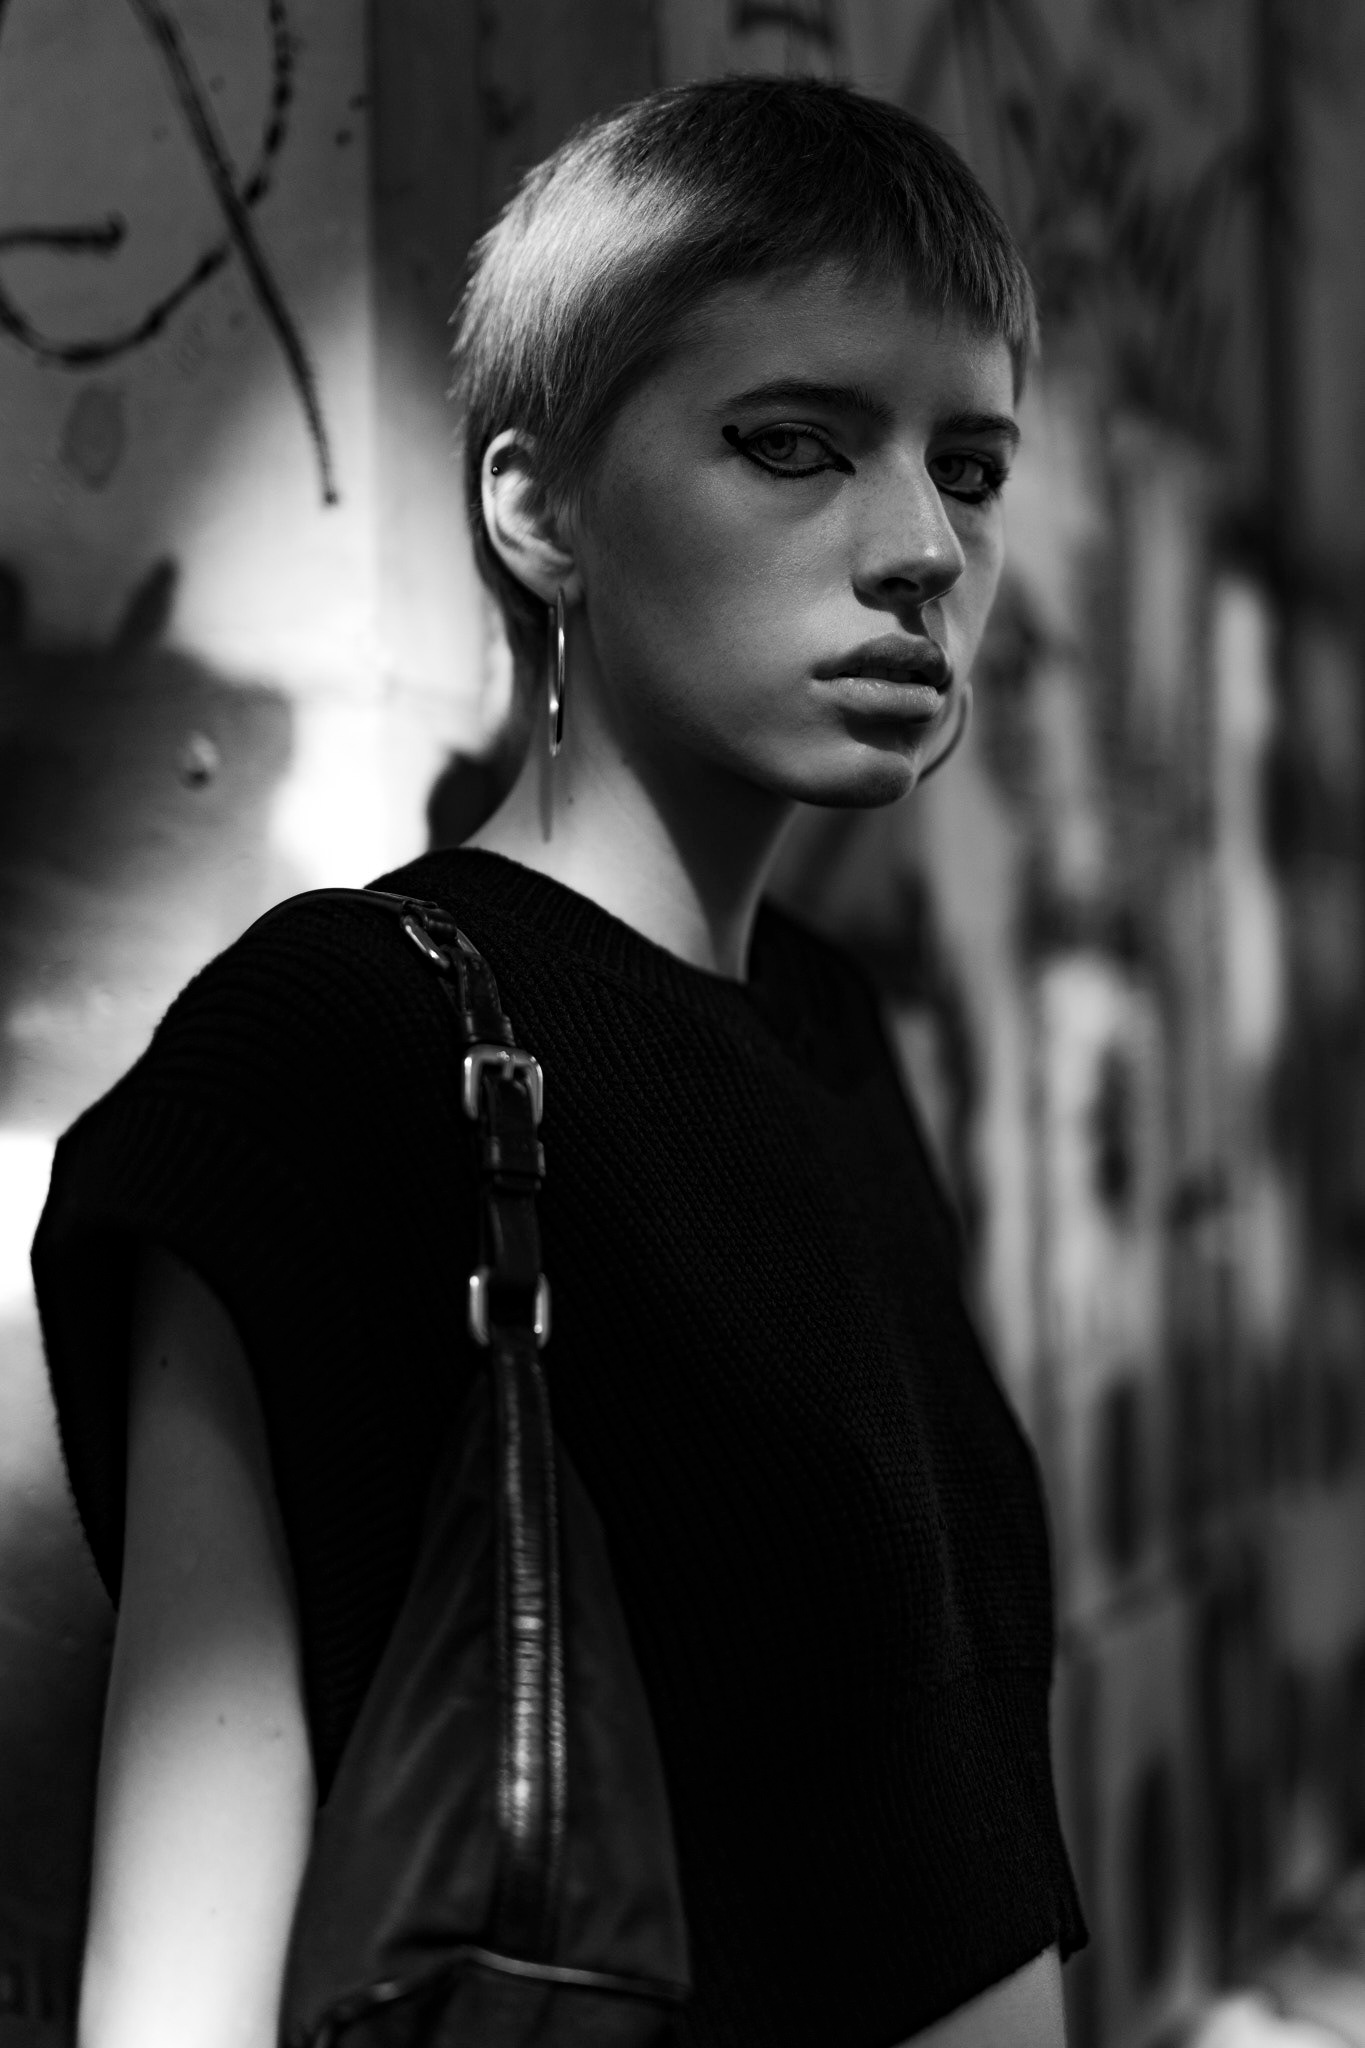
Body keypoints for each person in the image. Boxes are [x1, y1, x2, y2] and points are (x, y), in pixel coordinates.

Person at [33, 75, 1086, 2048]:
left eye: (968, 466)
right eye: (792, 445)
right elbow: (178, 1980)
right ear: (537, 509)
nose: (920, 549)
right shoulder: (344, 1047)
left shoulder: (829, 1034)